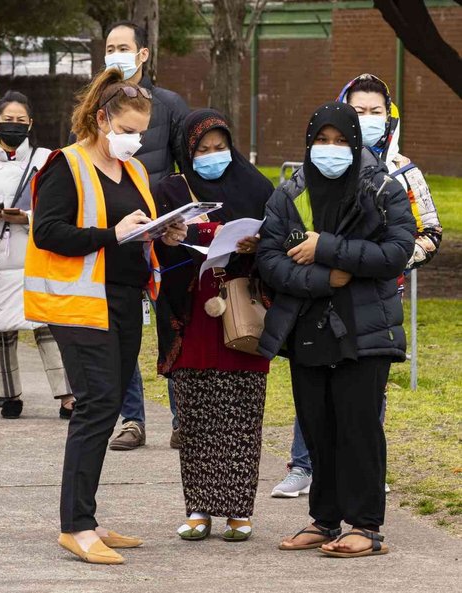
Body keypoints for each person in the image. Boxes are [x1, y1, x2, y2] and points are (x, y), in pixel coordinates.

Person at [25, 67, 185, 564]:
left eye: (141, 132)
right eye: (127, 130)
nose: (134, 141)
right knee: (95, 404)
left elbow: (134, 227)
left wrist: (162, 233)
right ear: (100, 119)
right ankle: (75, 526)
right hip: (78, 303)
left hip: (122, 298)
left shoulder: (134, 171)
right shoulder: (64, 165)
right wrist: (112, 234)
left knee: (110, 403)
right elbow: (47, 233)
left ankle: (87, 517)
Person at [271, 74, 445, 499]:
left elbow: (426, 234)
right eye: (358, 111)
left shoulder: (399, 175)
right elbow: (282, 250)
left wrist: (388, 263)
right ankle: (305, 466)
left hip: (374, 299)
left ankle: (363, 479)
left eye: (375, 112)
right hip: (314, 301)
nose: (367, 120)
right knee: (315, 395)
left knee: (362, 398)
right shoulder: (299, 183)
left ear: (389, 118)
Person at [256, 102, 415, 558]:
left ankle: (366, 526)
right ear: (309, 144)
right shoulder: (290, 194)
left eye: (341, 140)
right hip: (307, 327)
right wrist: (326, 277)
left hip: (365, 329)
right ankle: (324, 520)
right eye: (322, 141)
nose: (331, 149)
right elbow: (270, 261)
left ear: (355, 143)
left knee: (359, 427)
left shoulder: (383, 188)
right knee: (318, 426)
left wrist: (327, 247)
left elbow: (397, 252)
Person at [150, 109, 274, 541]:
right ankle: (199, 508)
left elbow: (279, 242)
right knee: (197, 414)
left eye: (219, 147)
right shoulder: (170, 190)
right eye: (202, 149)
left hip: (242, 310)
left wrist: (258, 245)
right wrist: (169, 241)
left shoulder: (258, 186)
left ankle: (239, 512)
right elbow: (157, 251)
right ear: (187, 151)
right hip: (191, 315)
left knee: (241, 412)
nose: (212, 155)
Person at [0, 91, 74, 420]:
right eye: (9, 120)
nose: (14, 126)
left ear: (31, 124)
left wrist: (29, 218)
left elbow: (65, 208)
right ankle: (9, 396)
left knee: (48, 327)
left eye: (21, 121)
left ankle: (67, 397)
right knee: (1, 331)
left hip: (37, 256)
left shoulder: (47, 158)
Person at [100, 20, 191, 452]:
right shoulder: (96, 106)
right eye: (109, 46)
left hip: (164, 236)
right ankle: (132, 418)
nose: (116, 53)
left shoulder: (170, 104)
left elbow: (186, 167)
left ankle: (181, 419)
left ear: (143, 54)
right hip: (116, 238)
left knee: (171, 327)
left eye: (124, 46)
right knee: (122, 331)